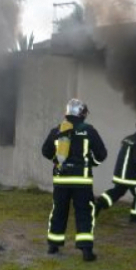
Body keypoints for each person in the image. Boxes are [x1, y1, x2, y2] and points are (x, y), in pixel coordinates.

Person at [41, 99, 107, 261]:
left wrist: (57, 161)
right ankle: (86, 251)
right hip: (82, 181)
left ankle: (53, 246)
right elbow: (102, 154)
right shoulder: (89, 131)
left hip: (61, 180)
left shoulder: (57, 130)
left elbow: (45, 151)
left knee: (59, 211)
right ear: (82, 113)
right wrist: (91, 163)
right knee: (84, 213)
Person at [96, 119, 136, 223]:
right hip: (130, 174)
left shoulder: (129, 138)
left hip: (119, 172)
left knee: (117, 191)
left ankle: (99, 204)